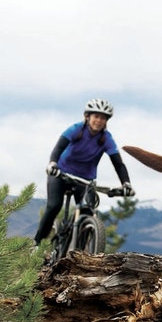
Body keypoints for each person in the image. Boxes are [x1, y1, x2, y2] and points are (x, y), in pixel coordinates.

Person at [33, 98, 135, 246]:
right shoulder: (75, 129)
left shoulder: (106, 139)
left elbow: (118, 163)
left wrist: (126, 183)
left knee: (88, 210)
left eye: (103, 118)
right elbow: (58, 148)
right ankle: (37, 244)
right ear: (88, 116)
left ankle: (80, 251)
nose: (99, 121)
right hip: (61, 174)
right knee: (54, 206)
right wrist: (53, 164)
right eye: (96, 116)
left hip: (85, 179)